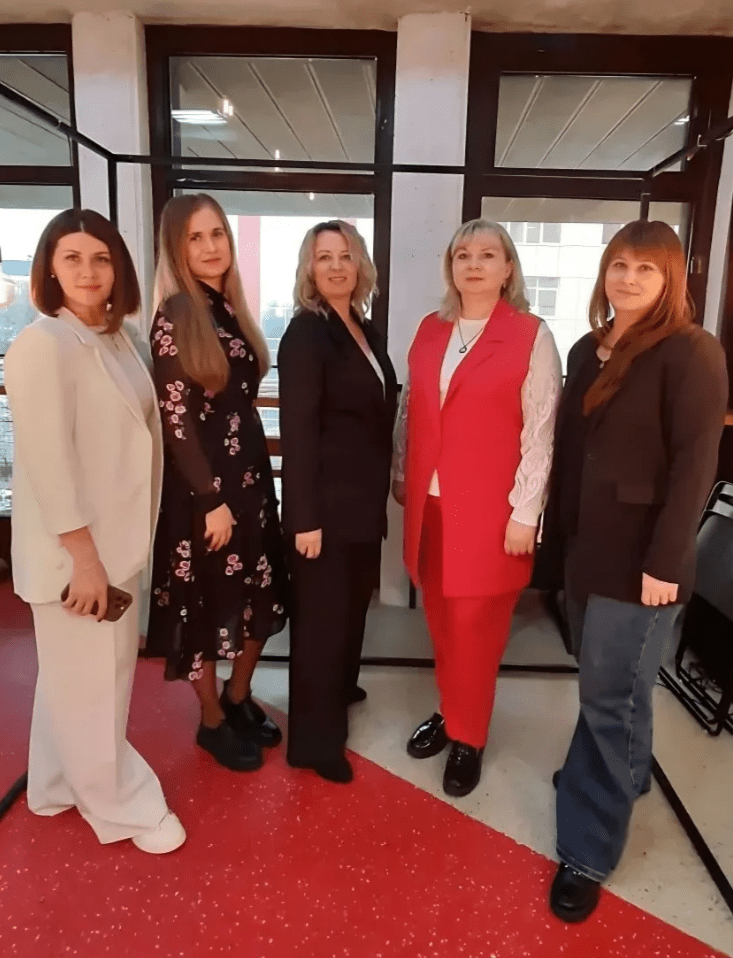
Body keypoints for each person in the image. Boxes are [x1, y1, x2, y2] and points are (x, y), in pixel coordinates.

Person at [543, 220, 727, 923]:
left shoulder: (690, 350)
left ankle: (587, 848)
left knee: (610, 698)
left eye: (646, 269)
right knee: (613, 688)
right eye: (618, 264)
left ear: (670, 278)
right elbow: (572, 450)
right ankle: (619, 773)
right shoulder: (587, 349)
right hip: (586, 549)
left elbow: (695, 466)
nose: (628, 278)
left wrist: (665, 561)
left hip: (642, 561)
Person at [5, 208, 185, 854]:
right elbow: (49, 465)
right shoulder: (43, 345)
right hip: (78, 555)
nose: (88, 271)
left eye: (101, 258)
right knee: (95, 686)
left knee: (70, 678)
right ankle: (120, 806)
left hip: (116, 541)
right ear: (49, 269)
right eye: (72, 258)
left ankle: (55, 784)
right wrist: (84, 560)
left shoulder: (115, 337)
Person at [393, 219, 562, 798]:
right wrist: (401, 473)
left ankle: (470, 736)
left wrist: (526, 512)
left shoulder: (530, 335)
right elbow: (411, 409)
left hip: (492, 514)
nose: (473, 264)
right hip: (431, 506)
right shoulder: (430, 329)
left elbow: (540, 432)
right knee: (442, 623)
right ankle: (451, 710)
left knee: (478, 631)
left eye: (487, 254)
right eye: (462, 254)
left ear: (508, 267)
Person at [146, 194, 288, 772]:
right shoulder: (177, 313)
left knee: (261, 593)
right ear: (177, 249)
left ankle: (236, 696)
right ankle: (210, 720)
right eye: (195, 238)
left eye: (217, 234)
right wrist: (211, 500)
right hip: (205, 497)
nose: (210, 247)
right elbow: (176, 421)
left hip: (250, 486)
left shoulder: (227, 309)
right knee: (203, 610)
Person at [278, 220, 397, 784]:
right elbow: (298, 431)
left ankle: (340, 690)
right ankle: (314, 743)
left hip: (361, 506)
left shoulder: (364, 329)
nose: (335, 266)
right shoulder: (306, 333)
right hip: (323, 510)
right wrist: (303, 518)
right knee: (321, 626)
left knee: (349, 613)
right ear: (309, 267)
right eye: (323, 256)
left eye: (345, 255)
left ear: (360, 265)